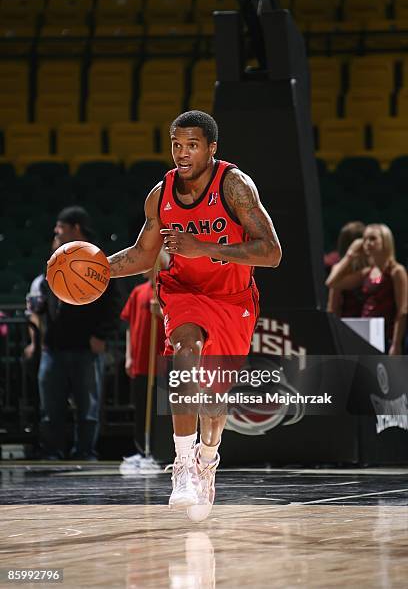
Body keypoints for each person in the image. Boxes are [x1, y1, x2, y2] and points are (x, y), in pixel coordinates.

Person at [106, 110, 282, 521]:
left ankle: (207, 457)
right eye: (176, 144)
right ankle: (183, 466)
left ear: (211, 149)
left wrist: (204, 247)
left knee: (215, 403)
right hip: (183, 291)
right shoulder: (160, 194)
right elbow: (142, 255)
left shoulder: (235, 186)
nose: (182, 154)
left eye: (192, 145)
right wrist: (97, 269)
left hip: (232, 297)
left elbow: (271, 252)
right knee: (185, 353)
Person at [34, 206, 120, 460]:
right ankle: (52, 451)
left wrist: (102, 335)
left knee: (88, 409)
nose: (55, 231)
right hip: (54, 345)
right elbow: (44, 300)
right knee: (50, 407)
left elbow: (114, 304)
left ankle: (85, 452)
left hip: (86, 346)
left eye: (60, 226)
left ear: (75, 228)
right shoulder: (55, 257)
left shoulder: (96, 258)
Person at [326, 223, 407, 355]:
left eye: (373, 239)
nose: (367, 243)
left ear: (385, 241)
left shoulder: (396, 271)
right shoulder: (368, 272)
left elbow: (402, 310)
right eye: (364, 239)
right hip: (367, 336)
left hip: (387, 338)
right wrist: (350, 255)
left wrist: (396, 343)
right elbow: (332, 282)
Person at [119, 256, 167, 475]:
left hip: (162, 362)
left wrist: (161, 312)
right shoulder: (137, 292)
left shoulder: (166, 291)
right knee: (141, 408)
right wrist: (129, 356)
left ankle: (159, 451)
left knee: (160, 410)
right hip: (140, 361)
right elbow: (130, 326)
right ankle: (141, 450)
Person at [326, 221, 366, 317]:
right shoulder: (372, 268)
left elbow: (333, 307)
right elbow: (334, 305)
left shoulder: (338, 267)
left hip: (347, 323)